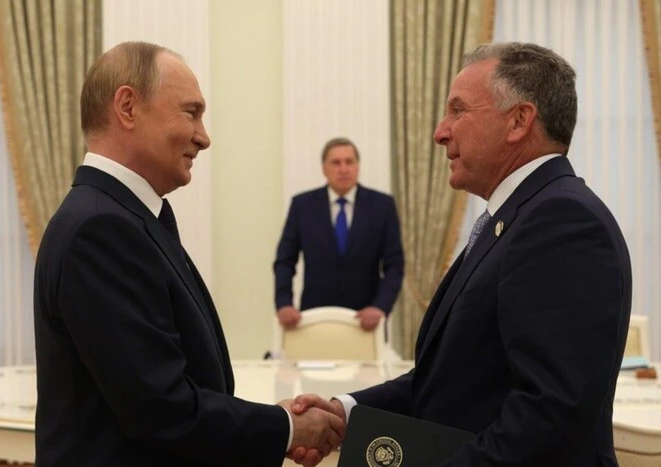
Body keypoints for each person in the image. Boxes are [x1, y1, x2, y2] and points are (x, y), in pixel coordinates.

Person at [291, 42, 632, 466]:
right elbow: (450, 381)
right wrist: (345, 412)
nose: (440, 131)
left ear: (519, 121)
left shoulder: (561, 222)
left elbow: (550, 415)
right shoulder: (515, 217)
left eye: (458, 110)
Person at [33, 41, 343, 467]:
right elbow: (159, 408)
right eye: (190, 112)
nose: (204, 137)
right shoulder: (101, 229)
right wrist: (286, 427)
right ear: (128, 107)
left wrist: (275, 423)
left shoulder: (124, 216)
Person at [273, 137, 404, 331]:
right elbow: (285, 260)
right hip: (314, 319)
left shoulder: (382, 206)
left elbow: (394, 265)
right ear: (324, 168)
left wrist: (380, 307)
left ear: (358, 166)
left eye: (349, 162)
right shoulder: (302, 206)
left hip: (366, 321)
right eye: (336, 163)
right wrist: (284, 303)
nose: (343, 169)